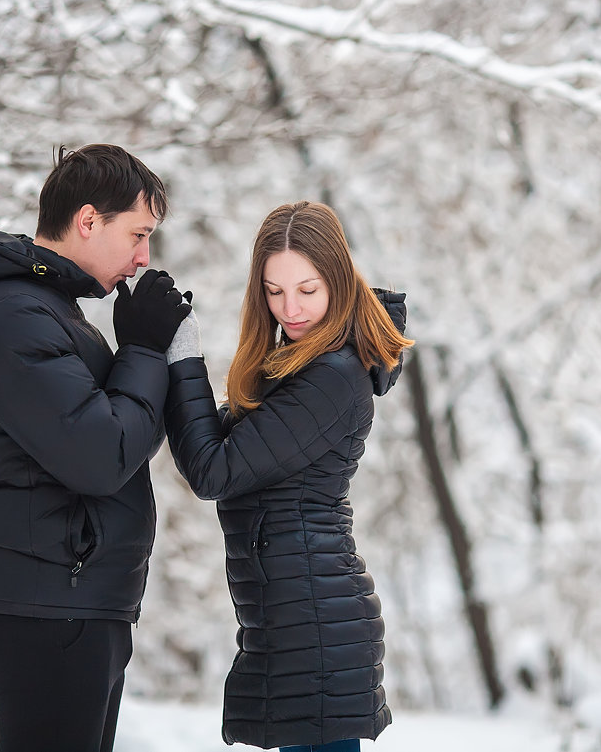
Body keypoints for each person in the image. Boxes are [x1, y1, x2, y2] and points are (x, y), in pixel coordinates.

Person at [0, 143, 190, 752]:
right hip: (46, 604)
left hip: (71, 598)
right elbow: (101, 456)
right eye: (138, 234)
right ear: (89, 220)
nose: (143, 257)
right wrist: (145, 351)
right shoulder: (12, 315)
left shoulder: (48, 310)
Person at [162, 200, 413, 751]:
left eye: (307, 289)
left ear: (341, 282)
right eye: (274, 291)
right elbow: (218, 454)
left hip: (317, 628)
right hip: (296, 620)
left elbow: (214, 469)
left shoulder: (334, 375)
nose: (290, 308)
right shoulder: (296, 364)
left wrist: (181, 358)